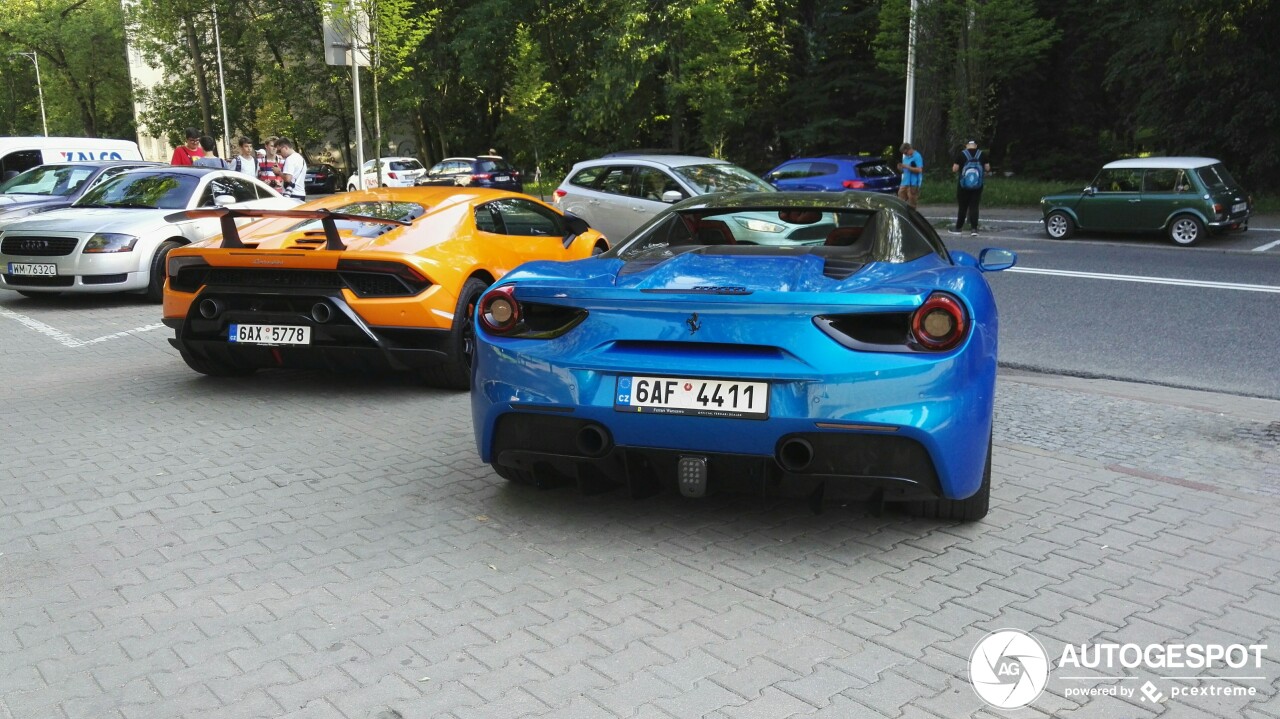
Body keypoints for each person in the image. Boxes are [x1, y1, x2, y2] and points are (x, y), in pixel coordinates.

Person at [950, 139, 991, 235]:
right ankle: (974, 229)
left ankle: (958, 228)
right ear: (976, 145)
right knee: (974, 206)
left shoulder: (961, 154)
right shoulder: (982, 154)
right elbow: (987, 168)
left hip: (963, 185)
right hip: (977, 185)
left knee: (962, 207)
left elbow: (955, 169)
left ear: (967, 145)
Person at [897, 142, 923, 208]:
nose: (905, 154)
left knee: (912, 204)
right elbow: (904, 171)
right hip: (904, 182)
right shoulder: (905, 158)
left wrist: (907, 167)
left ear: (909, 149)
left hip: (913, 183)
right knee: (900, 201)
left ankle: (911, 216)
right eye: (904, 153)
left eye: (905, 153)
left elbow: (919, 170)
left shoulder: (917, 156)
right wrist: (900, 168)